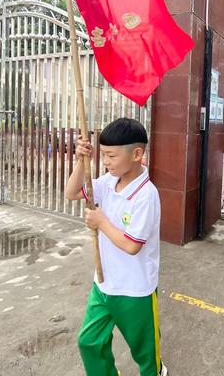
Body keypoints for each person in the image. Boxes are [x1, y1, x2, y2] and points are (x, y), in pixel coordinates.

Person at [65, 118, 167, 376]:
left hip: (135, 290)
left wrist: (101, 221)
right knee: (89, 342)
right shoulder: (108, 182)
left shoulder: (146, 194)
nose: (106, 161)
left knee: (145, 354)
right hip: (103, 283)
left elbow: (132, 245)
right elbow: (72, 192)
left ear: (137, 154)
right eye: (103, 155)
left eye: (111, 155)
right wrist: (80, 160)